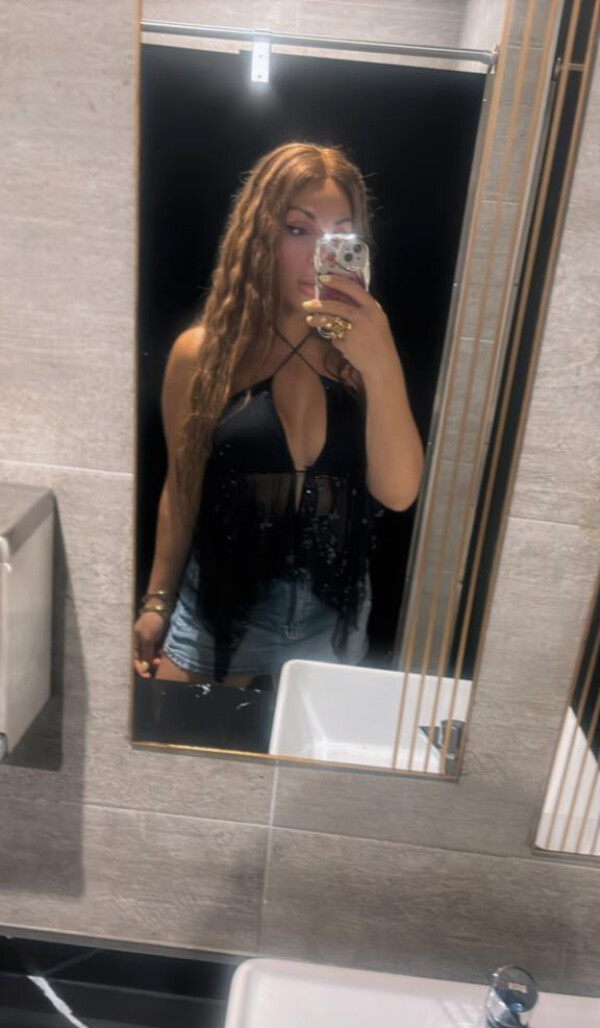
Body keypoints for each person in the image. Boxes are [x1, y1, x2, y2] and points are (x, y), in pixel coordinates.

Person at [133, 142, 424, 687]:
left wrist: (381, 361)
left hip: (330, 632)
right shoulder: (204, 355)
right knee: (177, 743)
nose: (319, 252)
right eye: (298, 229)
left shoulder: (362, 360)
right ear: (259, 235)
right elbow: (182, 486)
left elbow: (399, 492)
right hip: (215, 624)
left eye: (338, 234)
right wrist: (157, 601)